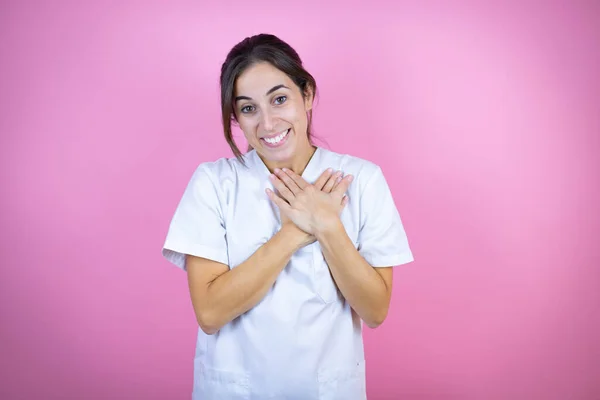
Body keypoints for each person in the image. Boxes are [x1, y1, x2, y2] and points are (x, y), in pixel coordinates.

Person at [161, 33, 414, 400]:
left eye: (279, 99)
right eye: (248, 108)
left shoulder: (361, 179)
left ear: (307, 94)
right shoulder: (213, 183)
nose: (267, 124)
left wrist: (328, 226)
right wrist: (295, 232)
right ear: (236, 116)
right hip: (237, 391)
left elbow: (375, 310)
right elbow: (211, 312)